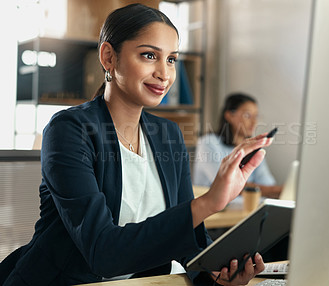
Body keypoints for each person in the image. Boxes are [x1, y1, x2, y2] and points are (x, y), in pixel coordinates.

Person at [0, 4, 272, 286]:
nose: (164, 74)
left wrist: (218, 273)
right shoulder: (69, 130)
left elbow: (188, 241)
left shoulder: (168, 134)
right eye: (149, 55)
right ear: (108, 56)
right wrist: (208, 203)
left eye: (171, 60)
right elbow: (103, 252)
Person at [193, 93, 283, 198]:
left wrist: (278, 190)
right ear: (229, 116)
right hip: (217, 210)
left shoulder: (252, 147)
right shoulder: (208, 143)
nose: (254, 122)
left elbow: (267, 183)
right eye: (247, 115)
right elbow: (225, 185)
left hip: (245, 207)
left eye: (256, 116)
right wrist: (276, 191)